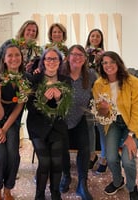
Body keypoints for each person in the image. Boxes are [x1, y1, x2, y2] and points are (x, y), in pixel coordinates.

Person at [0, 44, 31, 200]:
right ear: (4, 59)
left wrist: (5, 129)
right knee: (0, 155)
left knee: (13, 155)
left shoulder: (24, 80)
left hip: (10, 120)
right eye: (10, 55)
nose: (14, 58)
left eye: (17, 55)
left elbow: (18, 108)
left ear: (21, 58)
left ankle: (8, 189)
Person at [26, 47, 72, 200]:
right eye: (48, 58)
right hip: (37, 127)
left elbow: (67, 108)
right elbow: (30, 107)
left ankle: (55, 194)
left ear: (60, 62)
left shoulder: (66, 80)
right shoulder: (35, 79)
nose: (51, 62)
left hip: (57, 127)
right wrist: (43, 100)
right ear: (43, 61)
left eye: (55, 59)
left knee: (57, 163)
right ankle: (39, 195)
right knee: (45, 163)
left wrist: (59, 99)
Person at [92, 51, 138, 200]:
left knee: (128, 160)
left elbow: (137, 110)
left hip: (131, 123)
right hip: (113, 124)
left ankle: (132, 187)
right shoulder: (99, 84)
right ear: (101, 66)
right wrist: (103, 109)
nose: (108, 65)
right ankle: (118, 181)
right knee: (111, 158)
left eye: (112, 61)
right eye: (105, 63)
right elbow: (100, 113)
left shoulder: (132, 82)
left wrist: (131, 135)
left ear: (118, 63)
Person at [60, 44, 97, 200]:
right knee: (61, 147)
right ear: (68, 57)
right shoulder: (59, 73)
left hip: (80, 117)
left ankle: (83, 182)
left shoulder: (91, 75)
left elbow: (99, 95)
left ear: (85, 59)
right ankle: (66, 175)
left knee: (85, 147)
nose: (77, 57)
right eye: (74, 54)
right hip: (61, 118)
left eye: (80, 55)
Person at [85, 28, 107, 173]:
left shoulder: (105, 55)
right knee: (89, 128)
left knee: (102, 128)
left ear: (101, 39)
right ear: (89, 38)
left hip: (101, 95)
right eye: (92, 35)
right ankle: (92, 155)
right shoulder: (83, 54)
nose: (95, 38)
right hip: (87, 95)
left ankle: (104, 158)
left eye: (97, 36)